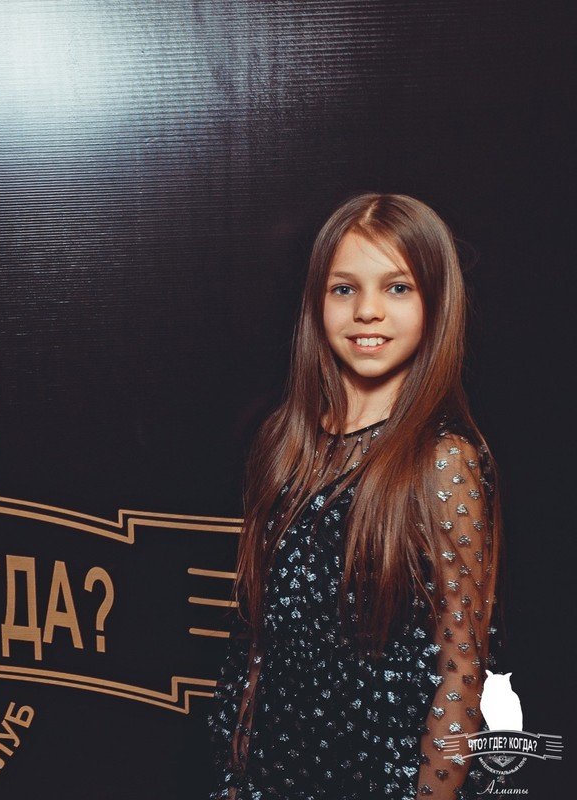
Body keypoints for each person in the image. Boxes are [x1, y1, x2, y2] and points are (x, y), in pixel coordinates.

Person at [206, 193, 510, 799]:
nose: (367, 311)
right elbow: (257, 642)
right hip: (270, 779)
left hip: (381, 781)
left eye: (397, 288)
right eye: (344, 289)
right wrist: (233, 779)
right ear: (316, 302)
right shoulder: (284, 442)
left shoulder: (443, 461)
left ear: (436, 303)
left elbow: (461, 671)